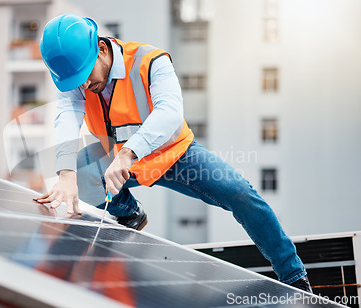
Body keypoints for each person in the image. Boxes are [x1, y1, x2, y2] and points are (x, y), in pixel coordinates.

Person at [34, 14, 312, 292]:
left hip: (175, 155)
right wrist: (66, 174)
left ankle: (293, 275)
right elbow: (68, 115)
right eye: (75, 82)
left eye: (85, 78)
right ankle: (130, 213)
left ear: (102, 50)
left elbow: (169, 114)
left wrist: (128, 153)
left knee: (241, 194)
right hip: (117, 159)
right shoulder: (74, 75)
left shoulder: (150, 60)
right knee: (79, 172)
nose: (83, 86)